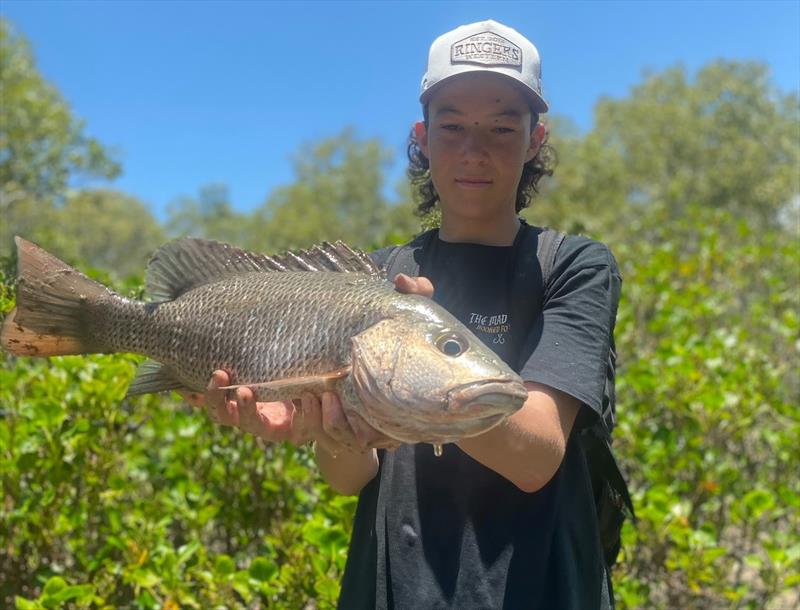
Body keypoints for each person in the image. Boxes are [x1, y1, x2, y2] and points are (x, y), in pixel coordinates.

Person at [192, 19, 621, 609]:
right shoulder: (374, 277)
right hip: (393, 587)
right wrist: (335, 427)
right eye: (452, 127)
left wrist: (414, 381)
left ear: (535, 140)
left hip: (542, 587)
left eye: (501, 127)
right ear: (422, 136)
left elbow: (537, 453)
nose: (475, 150)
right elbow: (349, 477)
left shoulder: (573, 266)